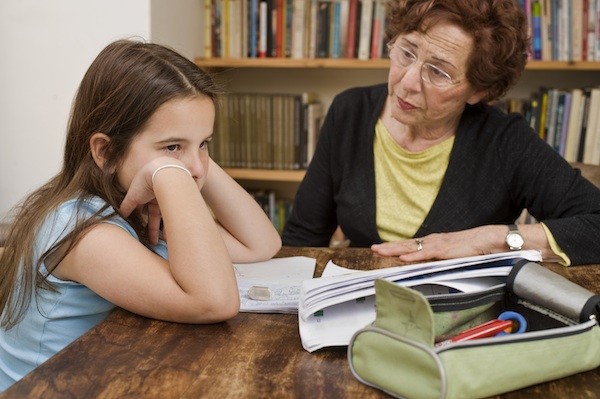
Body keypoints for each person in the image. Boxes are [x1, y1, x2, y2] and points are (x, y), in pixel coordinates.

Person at [0, 39, 281, 390]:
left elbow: (261, 244)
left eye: (206, 143)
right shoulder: (81, 232)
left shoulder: (144, 207)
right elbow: (214, 302)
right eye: (171, 146)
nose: (196, 167)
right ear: (104, 151)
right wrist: (171, 171)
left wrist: (183, 154)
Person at [282, 0, 600, 266]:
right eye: (406, 53)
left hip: (463, 323)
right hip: (353, 309)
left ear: (479, 89)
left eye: (438, 72)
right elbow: (302, 240)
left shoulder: (505, 142)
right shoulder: (349, 111)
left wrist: (488, 240)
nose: (407, 82)